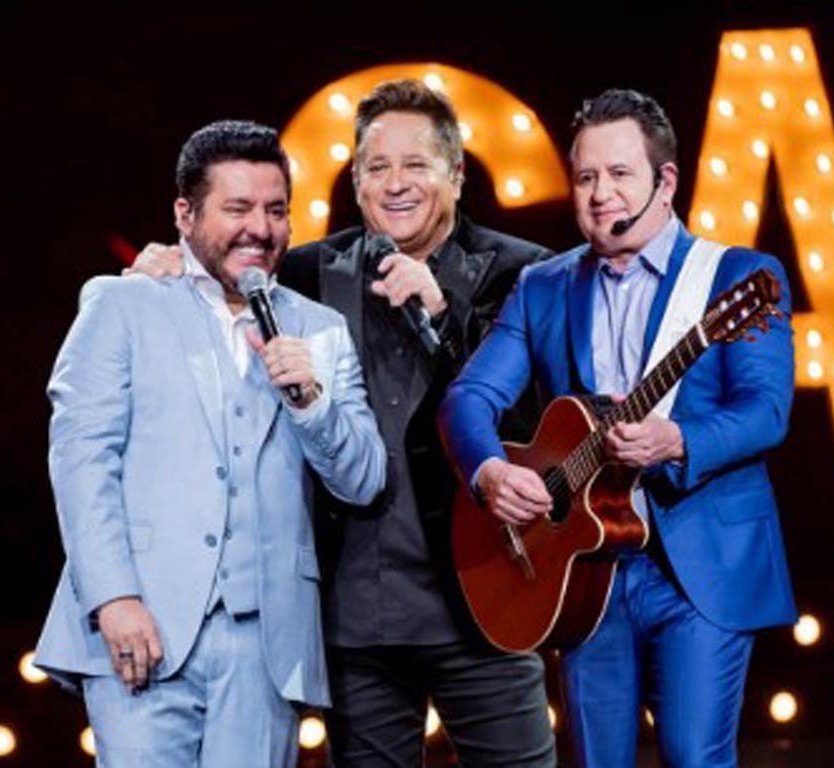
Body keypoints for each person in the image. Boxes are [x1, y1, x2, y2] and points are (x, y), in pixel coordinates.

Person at [133, 80, 556, 767]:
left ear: (455, 174)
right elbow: (225, 268)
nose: (395, 183)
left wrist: (445, 314)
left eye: (415, 164)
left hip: (486, 601)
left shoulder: (524, 274)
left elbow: (533, 421)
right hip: (354, 619)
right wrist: (170, 265)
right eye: (376, 167)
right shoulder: (303, 274)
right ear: (356, 181)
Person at [439, 89, 797, 768]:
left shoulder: (735, 277)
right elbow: (469, 398)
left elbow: (765, 411)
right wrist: (490, 471)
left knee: (695, 757)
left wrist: (680, 440)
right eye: (586, 177)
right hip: (584, 569)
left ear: (666, 181)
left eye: (620, 173)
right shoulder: (543, 286)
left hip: (700, 565)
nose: (601, 194)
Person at [33, 120, 386, 768]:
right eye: (237, 208)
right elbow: (82, 460)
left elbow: (364, 479)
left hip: (268, 645)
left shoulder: (320, 329)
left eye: (276, 210)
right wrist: (113, 597)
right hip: (143, 625)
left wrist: (312, 402)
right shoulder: (123, 304)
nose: (260, 228)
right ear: (185, 214)